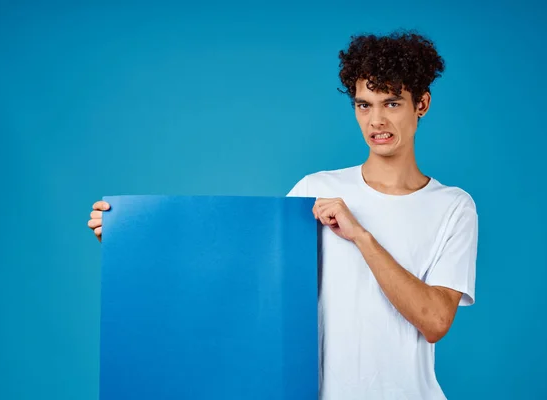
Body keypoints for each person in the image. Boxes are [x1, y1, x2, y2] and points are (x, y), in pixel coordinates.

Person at [88, 30, 478, 399]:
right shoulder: (316, 189)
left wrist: (362, 236)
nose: (376, 121)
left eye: (391, 103)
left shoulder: (453, 206)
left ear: (421, 104)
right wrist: (131, 240)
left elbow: (434, 321)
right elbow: (239, 271)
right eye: (364, 105)